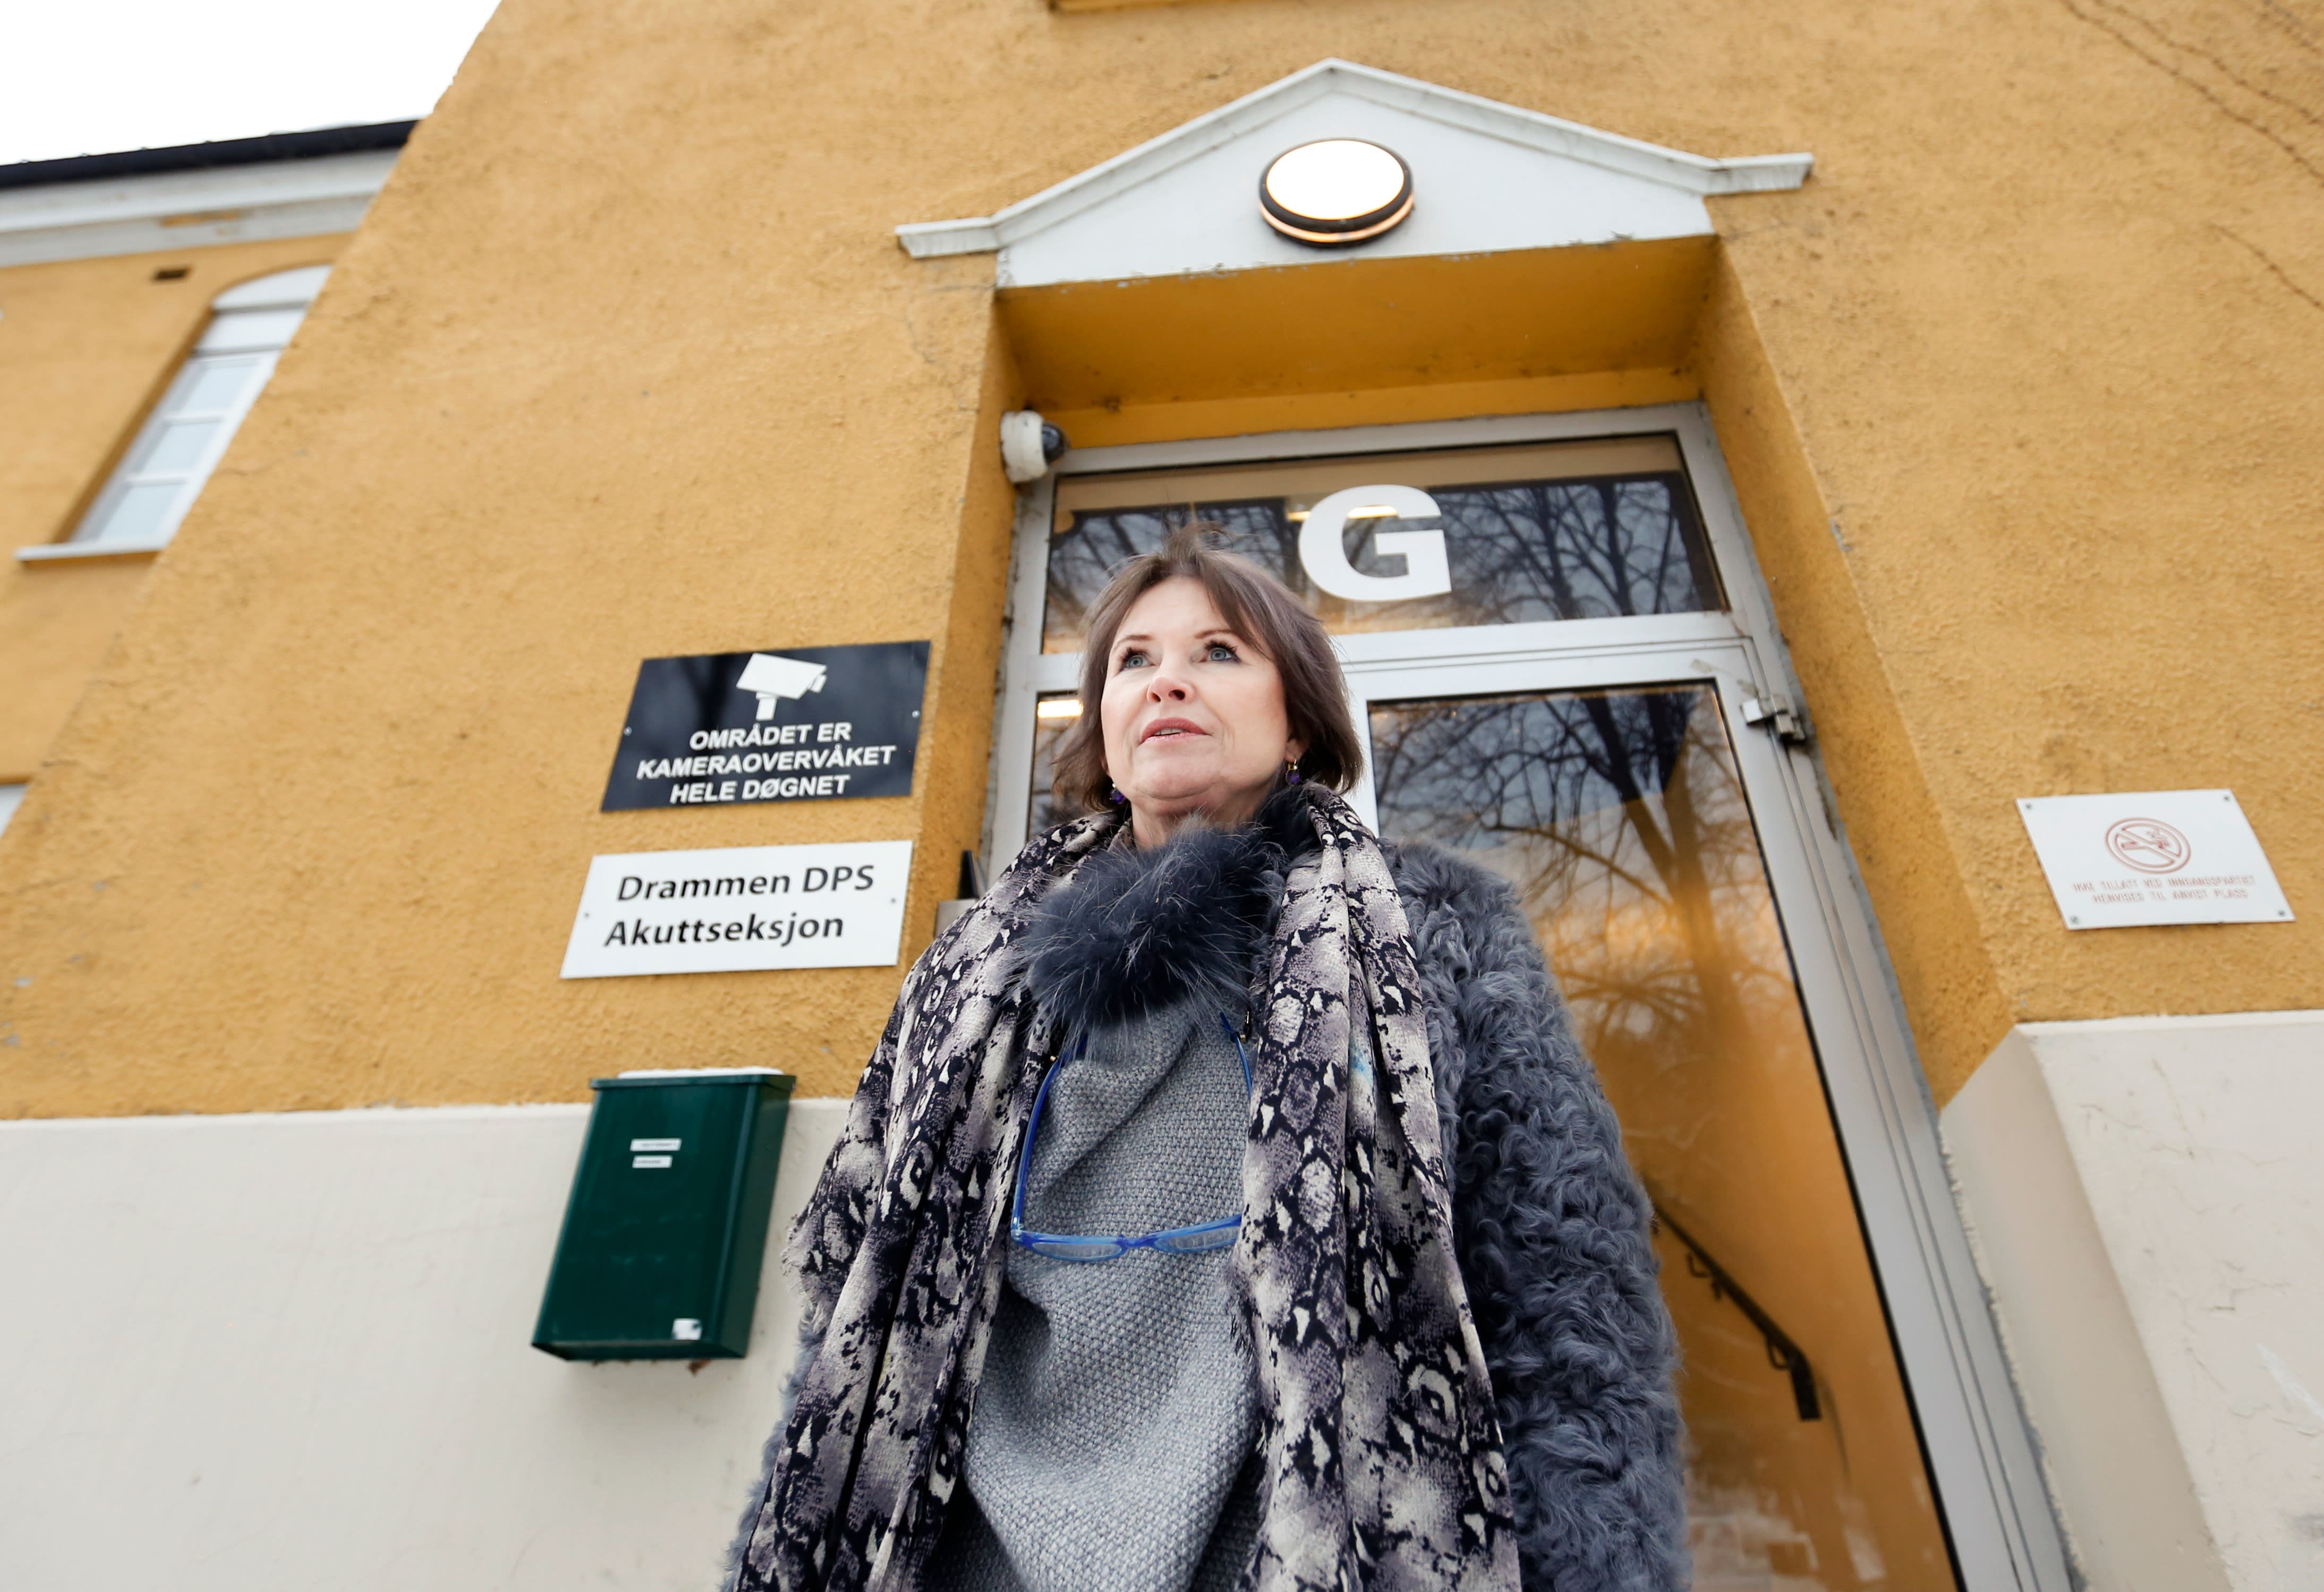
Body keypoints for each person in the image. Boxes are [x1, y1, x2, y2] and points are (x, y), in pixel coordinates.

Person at [726, 526, 1686, 1592]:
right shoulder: (968, 980)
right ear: (1103, 733)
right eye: (1132, 660)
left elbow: (1565, 1303)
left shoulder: (1435, 934)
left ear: (1296, 724)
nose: (1166, 679)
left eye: (1218, 652)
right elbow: (852, 1321)